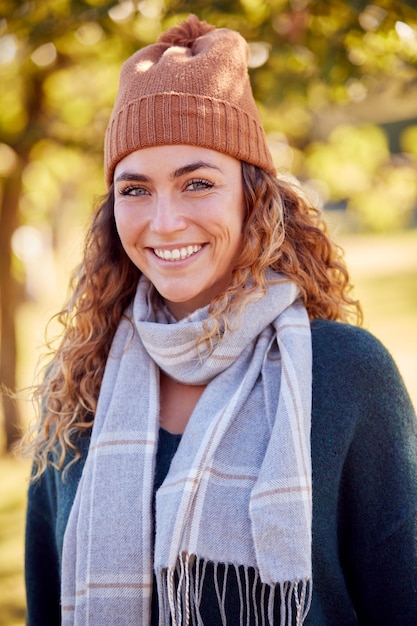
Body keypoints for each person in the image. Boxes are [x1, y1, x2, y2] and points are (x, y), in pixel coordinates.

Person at [24, 14, 417, 626]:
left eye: (197, 183)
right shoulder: (79, 389)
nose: (165, 221)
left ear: (253, 196)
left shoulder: (345, 373)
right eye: (135, 190)